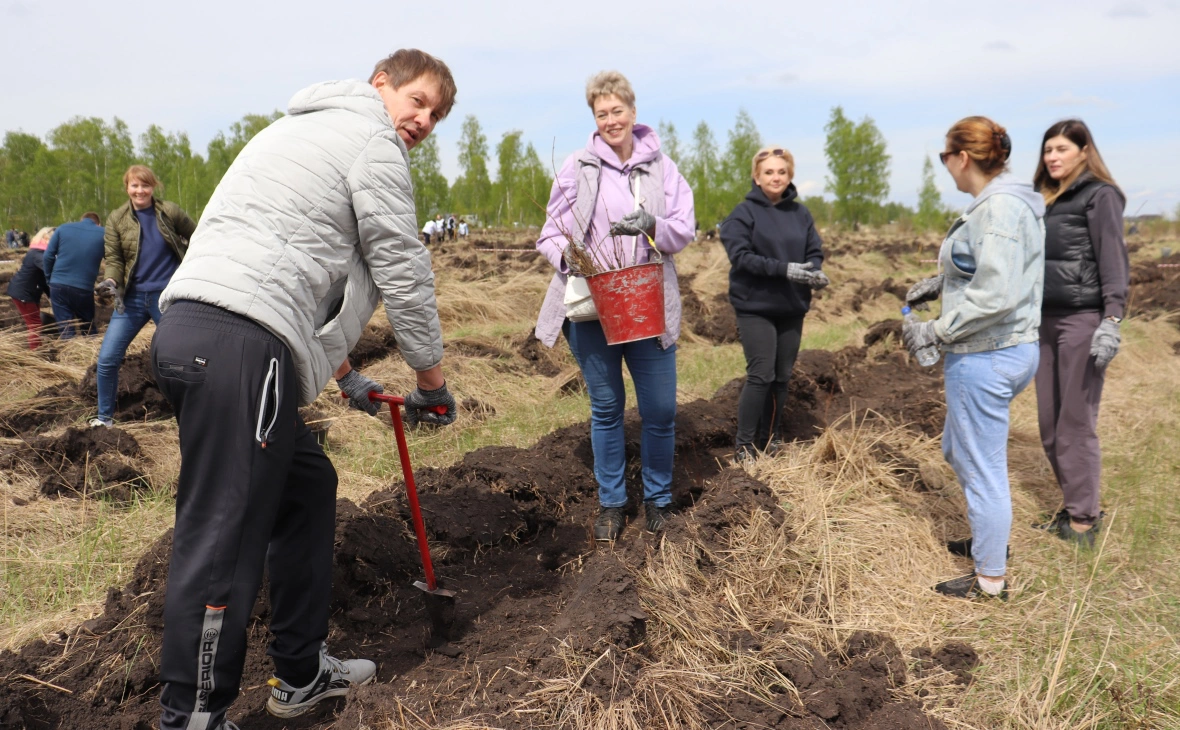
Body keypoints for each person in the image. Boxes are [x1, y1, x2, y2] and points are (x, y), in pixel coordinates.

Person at [151, 48, 458, 730]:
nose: (423, 120)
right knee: (222, 537)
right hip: (241, 344)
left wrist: (345, 378)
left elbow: (299, 265)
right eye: (418, 101)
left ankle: (299, 672)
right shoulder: (370, 142)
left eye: (436, 116)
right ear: (382, 83)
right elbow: (401, 264)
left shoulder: (296, 129)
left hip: (195, 332)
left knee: (307, 484)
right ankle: (192, 718)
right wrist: (432, 382)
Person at [534, 70, 694, 541]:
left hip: (647, 304)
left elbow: (684, 229)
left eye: (617, 110)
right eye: (601, 113)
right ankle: (612, 504)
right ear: (595, 118)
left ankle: (659, 500)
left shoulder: (663, 169)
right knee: (606, 409)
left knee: (661, 410)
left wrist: (652, 224)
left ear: (633, 111)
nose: (610, 120)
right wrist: (568, 256)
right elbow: (549, 234)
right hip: (594, 309)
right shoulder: (578, 167)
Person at [903, 116, 1045, 601]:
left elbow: (997, 294)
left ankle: (989, 579)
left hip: (987, 354)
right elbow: (985, 271)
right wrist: (942, 284)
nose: (945, 167)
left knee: (983, 470)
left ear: (963, 157)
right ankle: (990, 538)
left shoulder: (1000, 209)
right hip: (1005, 349)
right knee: (957, 451)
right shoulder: (1000, 204)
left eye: (946, 157)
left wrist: (936, 331)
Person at [1030, 119, 1128, 548]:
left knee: (1075, 423)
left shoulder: (1099, 195)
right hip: (1043, 322)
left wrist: (1112, 318)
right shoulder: (1043, 200)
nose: (1052, 156)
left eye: (1062, 149)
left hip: (1081, 321)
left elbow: (1113, 257)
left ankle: (1085, 522)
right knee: (1050, 426)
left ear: (1084, 152)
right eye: (1048, 149)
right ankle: (1074, 505)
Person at [720, 146, 829, 461]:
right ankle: (744, 446)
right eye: (768, 171)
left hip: (792, 306)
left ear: (789, 175)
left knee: (782, 376)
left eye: (781, 171)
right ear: (757, 176)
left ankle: (772, 438)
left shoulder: (801, 213)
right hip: (755, 306)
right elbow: (740, 257)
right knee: (761, 374)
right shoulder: (743, 213)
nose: (776, 177)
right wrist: (785, 269)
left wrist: (814, 270)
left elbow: (814, 249)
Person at [90, 166, 197, 428]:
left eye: (145, 185)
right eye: (134, 186)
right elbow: (114, 258)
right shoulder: (117, 218)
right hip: (133, 300)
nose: (140, 191)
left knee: (183, 357)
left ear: (153, 187)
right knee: (107, 360)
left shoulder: (169, 211)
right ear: (127, 187)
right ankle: (104, 418)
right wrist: (111, 280)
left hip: (168, 297)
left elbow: (199, 236)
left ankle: (192, 414)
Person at [43, 213, 104, 339]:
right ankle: (92, 354)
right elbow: (114, 259)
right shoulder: (103, 233)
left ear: (81, 220)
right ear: (98, 223)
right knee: (87, 326)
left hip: (58, 284)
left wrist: (49, 279)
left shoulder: (63, 228)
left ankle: (71, 355)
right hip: (83, 288)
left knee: (65, 328)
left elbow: (48, 256)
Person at [6, 227, 54, 349]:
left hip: (29, 292)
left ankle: (36, 346)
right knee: (35, 324)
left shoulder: (39, 253)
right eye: (54, 239)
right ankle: (35, 352)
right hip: (23, 293)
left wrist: (51, 296)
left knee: (35, 321)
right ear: (45, 238)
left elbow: (43, 279)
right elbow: (52, 271)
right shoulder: (38, 254)